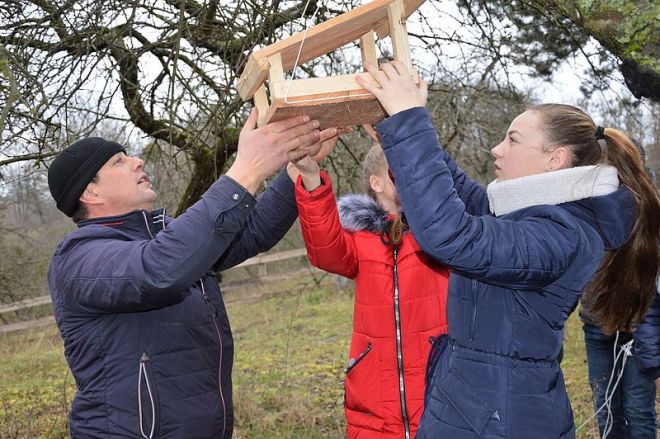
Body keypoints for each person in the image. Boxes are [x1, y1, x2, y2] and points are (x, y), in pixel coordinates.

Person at [356, 61, 660, 438]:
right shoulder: (535, 216)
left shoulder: (561, 234)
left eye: (513, 140)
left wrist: (409, 123)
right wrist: (398, 138)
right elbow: (466, 200)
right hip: (482, 405)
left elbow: (453, 233)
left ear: (556, 158)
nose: (496, 149)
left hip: (501, 417)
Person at [46, 109, 340, 438]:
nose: (137, 162)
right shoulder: (78, 258)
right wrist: (246, 171)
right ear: (91, 194)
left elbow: (250, 231)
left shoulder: (165, 238)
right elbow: (159, 270)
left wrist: (294, 171)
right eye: (118, 161)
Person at [291, 138, 450, 439]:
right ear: (376, 183)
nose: (406, 175)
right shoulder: (359, 240)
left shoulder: (436, 231)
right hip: (375, 400)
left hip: (437, 389)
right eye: (397, 170)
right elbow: (325, 250)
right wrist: (311, 177)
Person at [578, 144, 657, 438]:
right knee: (606, 407)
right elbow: (575, 263)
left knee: (638, 409)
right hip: (596, 326)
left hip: (639, 328)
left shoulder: (649, 208)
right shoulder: (586, 206)